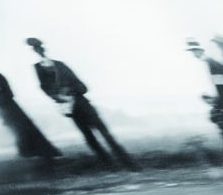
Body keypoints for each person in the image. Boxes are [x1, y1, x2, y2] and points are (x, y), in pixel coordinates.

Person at [25, 37, 138, 170]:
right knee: (89, 138)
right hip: (70, 109)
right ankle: (108, 164)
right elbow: (44, 87)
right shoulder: (37, 68)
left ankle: (128, 163)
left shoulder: (60, 65)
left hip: (84, 105)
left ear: (44, 49)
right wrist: (57, 97)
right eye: (36, 49)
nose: (39, 50)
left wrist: (71, 90)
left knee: (106, 134)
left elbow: (83, 86)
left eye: (40, 48)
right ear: (34, 51)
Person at [0, 70, 61, 159]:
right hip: (5, 104)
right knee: (19, 128)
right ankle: (31, 151)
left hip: (7, 104)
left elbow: (2, 90)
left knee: (20, 128)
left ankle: (33, 151)